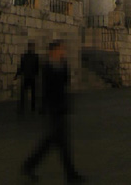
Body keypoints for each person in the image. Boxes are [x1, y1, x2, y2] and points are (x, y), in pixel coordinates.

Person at [22, 40, 84, 182]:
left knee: (54, 142)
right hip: (54, 109)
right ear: (53, 50)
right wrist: (45, 107)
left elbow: (65, 81)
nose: (63, 52)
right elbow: (45, 89)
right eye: (61, 49)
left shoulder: (61, 65)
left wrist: (64, 64)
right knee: (59, 143)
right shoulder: (47, 67)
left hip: (60, 107)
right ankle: (70, 174)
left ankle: (30, 165)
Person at [15, 41, 39, 114]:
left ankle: (29, 106)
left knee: (29, 93)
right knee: (28, 93)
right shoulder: (32, 56)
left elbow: (22, 67)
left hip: (29, 76)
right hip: (29, 76)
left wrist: (17, 74)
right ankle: (30, 107)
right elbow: (22, 67)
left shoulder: (27, 56)